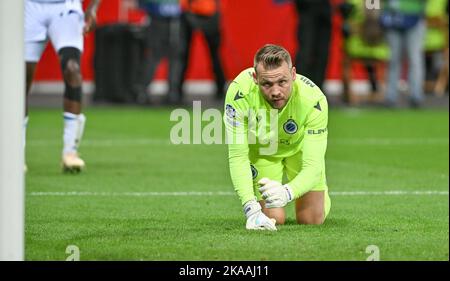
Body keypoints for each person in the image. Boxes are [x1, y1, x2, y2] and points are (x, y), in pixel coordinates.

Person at [224, 44, 331, 231]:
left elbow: (313, 165)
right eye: (267, 84)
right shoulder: (239, 93)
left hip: (299, 150)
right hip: (264, 152)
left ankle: (318, 196)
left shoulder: (314, 100)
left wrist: (287, 192)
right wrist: (251, 209)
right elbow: (238, 156)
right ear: (255, 79)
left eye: (282, 82)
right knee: (273, 219)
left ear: (293, 74)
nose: (275, 92)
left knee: (312, 220)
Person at [25, 0, 101, 172]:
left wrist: (93, 8)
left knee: (72, 68)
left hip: (66, 7)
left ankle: (70, 153)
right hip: (27, 7)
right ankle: (16, 154)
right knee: (20, 80)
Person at [380, 0, 427, 108]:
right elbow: (371, 3)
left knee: (414, 59)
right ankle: (390, 97)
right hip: (392, 20)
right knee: (393, 59)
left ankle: (416, 97)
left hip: (415, 19)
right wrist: (373, 14)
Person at [177, 0, 226, 101]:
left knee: (215, 56)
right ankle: (176, 92)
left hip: (209, 12)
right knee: (183, 55)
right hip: (189, 12)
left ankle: (221, 89)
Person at [137, 0, 183, 105]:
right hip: (162, 18)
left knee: (170, 57)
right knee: (156, 56)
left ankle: (172, 93)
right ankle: (143, 92)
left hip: (170, 18)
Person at [294, 0, 332, 90]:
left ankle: (318, 90)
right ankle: (299, 89)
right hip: (307, 7)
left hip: (324, 10)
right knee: (305, 52)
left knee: (323, 53)